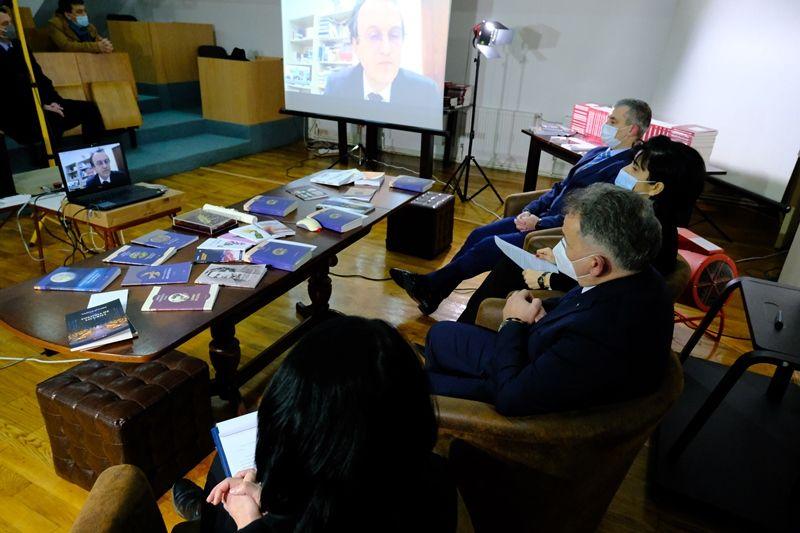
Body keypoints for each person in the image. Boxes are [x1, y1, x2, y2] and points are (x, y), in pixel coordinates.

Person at [171, 316, 456, 532]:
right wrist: (268, 499)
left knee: (221, 475)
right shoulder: (437, 478)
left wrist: (251, 522)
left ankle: (205, 513)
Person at [425, 184, 673, 416]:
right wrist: (543, 309)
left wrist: (513, 322)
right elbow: (581, 301)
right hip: (540, 354)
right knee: (439, 335)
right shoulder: (637, 273)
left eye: (567, 243)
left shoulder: (599, 333)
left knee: (415, 384)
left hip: (518, 384)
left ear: (596, 264)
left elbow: (510, 398)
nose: (558, 249)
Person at [390, 98, 652, 314]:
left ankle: (431, 287)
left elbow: (586, 213)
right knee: (478, 234)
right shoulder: (598, 152)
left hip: (554, 231)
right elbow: (560, 188)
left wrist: (540, 222)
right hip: (540, 218)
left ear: (632, 130)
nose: (606, 125)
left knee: (487, 246)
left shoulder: (622, 168)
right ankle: (434, 290)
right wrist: (531, 210)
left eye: (613, 121)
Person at [457, 136, 707, 324]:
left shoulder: (644, 233)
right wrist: (557, 258)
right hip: (578, 279)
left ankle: (467, 328)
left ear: (655, 187)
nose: (623, 171)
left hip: (584, 301)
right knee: (508, 263)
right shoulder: (640, 217)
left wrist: (547, 278)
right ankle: (467, 326)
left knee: (507, 267)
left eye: (634, 168)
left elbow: (606, 284)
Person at [0, 6, 105, 197]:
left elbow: (39, 78)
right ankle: (52, 169)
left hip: (44, 102)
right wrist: (41, 106)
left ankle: (92, 157)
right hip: (16, 112)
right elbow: (8, 93)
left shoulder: (19, 45)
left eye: (9, 23)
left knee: (89, 109)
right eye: (3, 24)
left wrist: (52, 101)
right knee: (52, 120)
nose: (8, 27)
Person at [324, 0, 439, 108]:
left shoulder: (427, 93)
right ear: (355, 45)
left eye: (394, 35)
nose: (386, 49)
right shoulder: (335, 86)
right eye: (374, 36)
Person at [48, 0, 113, 54]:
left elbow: (98, 41)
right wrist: (96, 46)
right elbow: (66, 46)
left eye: (85, 11)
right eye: (79, 12)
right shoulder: (55, 24)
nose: (85, 14)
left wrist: (106, 45)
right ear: (68, 15)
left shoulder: (90, 27)